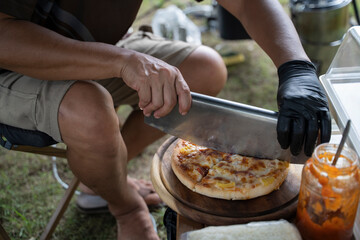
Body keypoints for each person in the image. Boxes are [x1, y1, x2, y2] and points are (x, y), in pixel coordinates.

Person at [0, 1, 330, 240]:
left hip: (91, 43)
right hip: (13, 61)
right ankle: (126, 207)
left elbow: (246, 3)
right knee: (90, 110)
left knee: (205, 68)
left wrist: (295, 67)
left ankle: (100, 177)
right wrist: (123, 61)